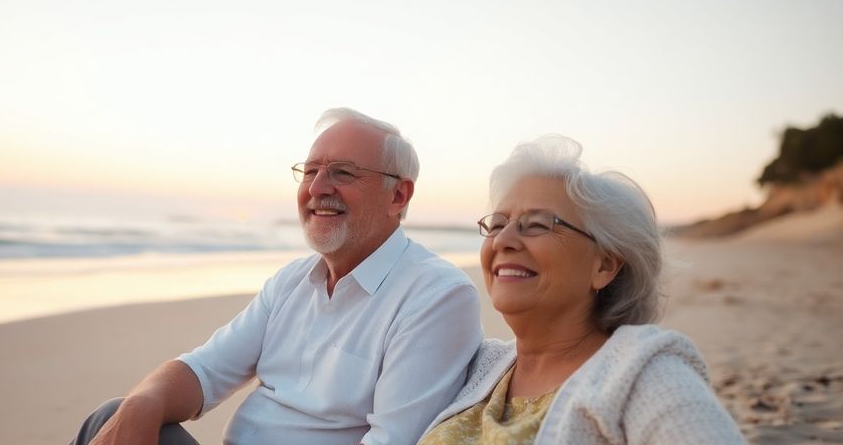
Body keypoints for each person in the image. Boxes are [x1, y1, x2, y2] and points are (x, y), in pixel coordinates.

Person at [72, 108, 483, 445]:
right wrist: (145, 401)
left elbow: (395, 441)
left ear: (398, 196)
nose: (318, 187)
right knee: (118, 415)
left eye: (343, 172)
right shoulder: (292, 282)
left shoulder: (436, 296)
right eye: (310, 171)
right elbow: (205, 370)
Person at [419, 135, 745, 444]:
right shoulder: (479, 364)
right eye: (498, 224)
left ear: (603, 266)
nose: (502, 241)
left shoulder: (642, 374)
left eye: (536, 224)